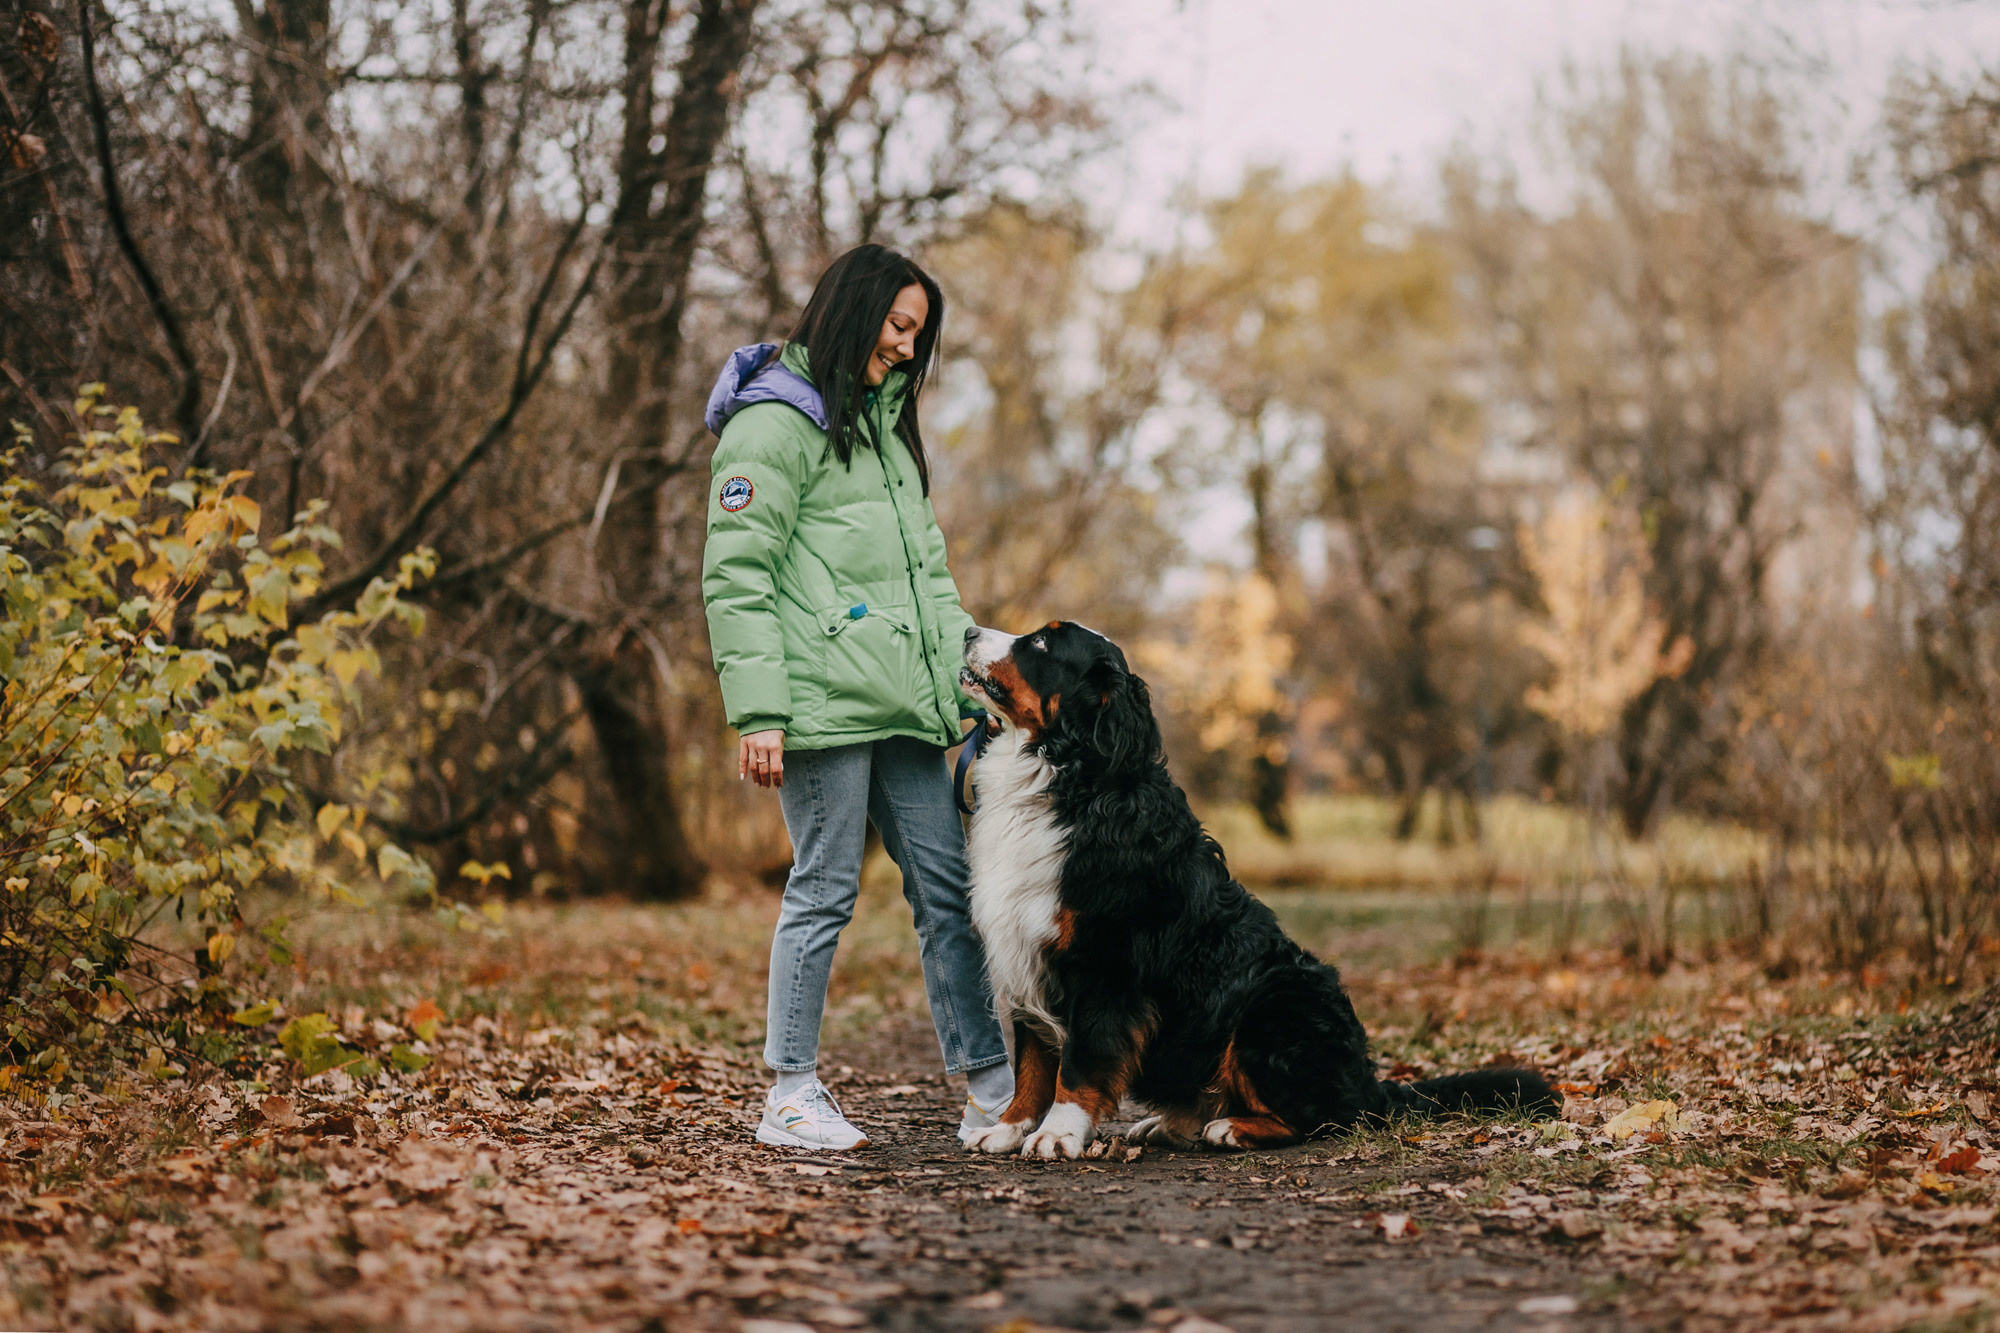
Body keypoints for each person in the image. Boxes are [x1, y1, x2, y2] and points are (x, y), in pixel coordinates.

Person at [701, 244, 1015, 1150]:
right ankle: (789, 1093)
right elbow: (737, 576)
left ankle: (992, 1085)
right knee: (825, 888)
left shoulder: (883, 430)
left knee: (948, 890)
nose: (909, 350)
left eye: (920, 335)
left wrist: (963, 681)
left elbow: (927, 573)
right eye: (899, 326)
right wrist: (760, 710)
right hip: (820, 705)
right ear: (853, 311)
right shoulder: (772, 425)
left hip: (903, 705)